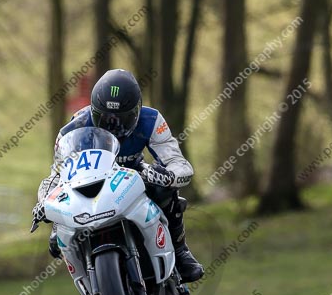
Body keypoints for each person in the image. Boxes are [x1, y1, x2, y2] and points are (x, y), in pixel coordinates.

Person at [33, 68, 204, 282]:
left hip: (135, 180)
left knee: (167, 193)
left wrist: (167, 176)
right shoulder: (72, 129)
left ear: (137, 110)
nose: (114, 126)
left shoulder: (151, 120)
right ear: (93, 110)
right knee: (57, 238)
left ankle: (180, 252)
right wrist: (45, 205)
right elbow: (56, 177)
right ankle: (87, 279)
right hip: (91, 187)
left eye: (123, 119)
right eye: (104, 119)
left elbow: (180, 164)